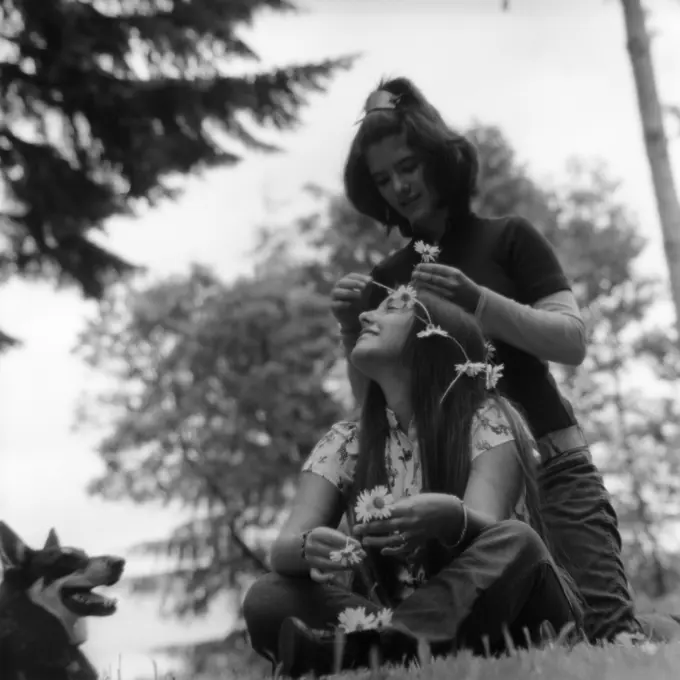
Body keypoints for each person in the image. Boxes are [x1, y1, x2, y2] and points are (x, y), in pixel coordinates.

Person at [332, 77, 640, 644]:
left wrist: (479, 302)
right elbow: (370, 398)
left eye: (408, 166)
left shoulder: (509, 239)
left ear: (437, 159)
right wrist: (352, 324)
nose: (399, 186)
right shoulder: (387, 279)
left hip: (553, 466)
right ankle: (386, 646)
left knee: (608, 633)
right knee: (517, 640)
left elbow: (570, 339)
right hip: (462, 485)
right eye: (382, 179)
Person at [243, 287, 583, 678]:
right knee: (267, 596)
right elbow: (282, 551)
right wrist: (308, 547)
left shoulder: (487, 418)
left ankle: (367, 653)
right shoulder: (345, 443)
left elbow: (493, 531)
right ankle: (387, 649)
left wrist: (452, 518)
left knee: (519, 540)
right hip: (409, 621)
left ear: (433, 336)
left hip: (510, 615)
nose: (367, 317)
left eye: (392, 308)